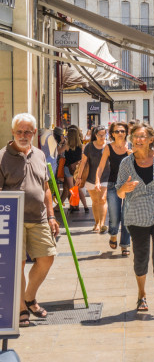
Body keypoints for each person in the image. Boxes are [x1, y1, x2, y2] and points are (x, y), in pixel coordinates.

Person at [0, 113, 59, 328]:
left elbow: (45, 188)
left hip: (39, 217)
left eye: (27, 132)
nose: (23, 135)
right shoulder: (2, 157)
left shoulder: (39, 155)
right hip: (12, 219)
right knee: (19, 265)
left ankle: (29, 297)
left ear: (34, 133)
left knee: (47, 258)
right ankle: (21, 309)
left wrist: (52, 216)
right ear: (12, 132)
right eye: (19, 132)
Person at [116, 123, 154, 321]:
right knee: (141, 258)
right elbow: (119, 192)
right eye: (134, 136)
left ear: (151, 139)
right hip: (136, 217)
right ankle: (142, 294)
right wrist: (125, 187)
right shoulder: (126, 163)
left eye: (142, 136)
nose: (137, 139)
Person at [96, 122, 132, 256]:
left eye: (122, 131)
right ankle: (113, 234)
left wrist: (130, 154)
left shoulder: (131, 147)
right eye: (117, 131)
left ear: (126, 132)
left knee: (127, 217)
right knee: (115, 216)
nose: (120, 133)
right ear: (112, 134)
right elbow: (101, 166)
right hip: (113, 185)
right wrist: (97, 180)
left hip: (128, 185)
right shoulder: (108, 148)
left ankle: (125, 245)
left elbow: (139, 164)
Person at [76, 126, 110, 232]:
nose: (102, 137)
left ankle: (102, 223)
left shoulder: (108, 146)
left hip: (105, 177)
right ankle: (97, 223)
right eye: (100, 135)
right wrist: (79, 177)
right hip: (90, 177)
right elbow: (83, 163)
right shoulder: (89, 147)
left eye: (104, 134)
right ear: (95, 135)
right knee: (95, 201)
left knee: (103, 199)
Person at [63, 126, 87, 212]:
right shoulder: (81, 145)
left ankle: (73, 206)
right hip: (77, 168)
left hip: (68, 167)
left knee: (71, 188)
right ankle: (85, 206)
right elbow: (83, 158)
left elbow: (58, 152)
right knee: (78, 188)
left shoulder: (67, 145)